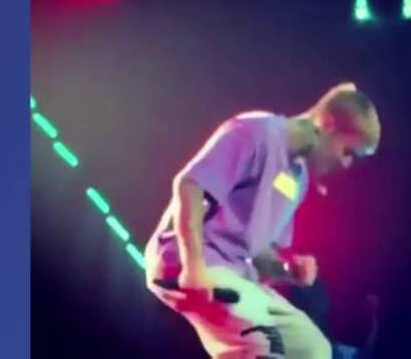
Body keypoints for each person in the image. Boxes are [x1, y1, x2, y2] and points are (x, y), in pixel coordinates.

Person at [144, 82, 381, 358]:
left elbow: (258, 251)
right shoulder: (255, 131)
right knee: (264, 343)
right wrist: (193, 267)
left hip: (236, 274)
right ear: (328, 123)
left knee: (312, 349)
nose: (346, 164)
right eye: (348, 152)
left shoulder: (298, 179)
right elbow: (190, 186)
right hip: (189, 260)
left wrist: (287, 270)